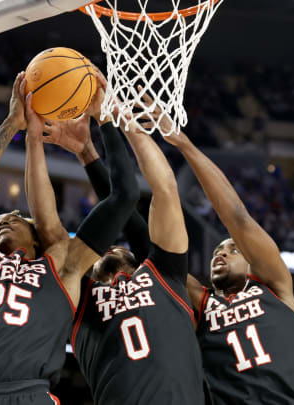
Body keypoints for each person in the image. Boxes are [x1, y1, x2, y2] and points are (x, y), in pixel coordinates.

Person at [0, 71, 138, 405]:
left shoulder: (61, 266)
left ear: (35, 237)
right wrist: (14, 124)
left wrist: (104, 121)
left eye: (13, 218)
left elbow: (122, 198)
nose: (1, 221)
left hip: (27, 394)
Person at [140, 97, 294, 404]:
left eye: (232, 249)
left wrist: (183, 144)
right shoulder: (202, 302)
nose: (220, 254)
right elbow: (161, 255)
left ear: (252, 263)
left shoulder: (276, 287)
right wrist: (126, 135)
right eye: (215, 252)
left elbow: (237, 216)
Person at [41, 80, 204, 404]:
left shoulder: (166, 277)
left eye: (118, 246)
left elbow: (134, 208)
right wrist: (88, 147)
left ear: (140, 259)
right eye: (103, 247)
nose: (110, 246)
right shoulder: (80, 297)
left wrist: (99, 138)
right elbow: (114, 210)